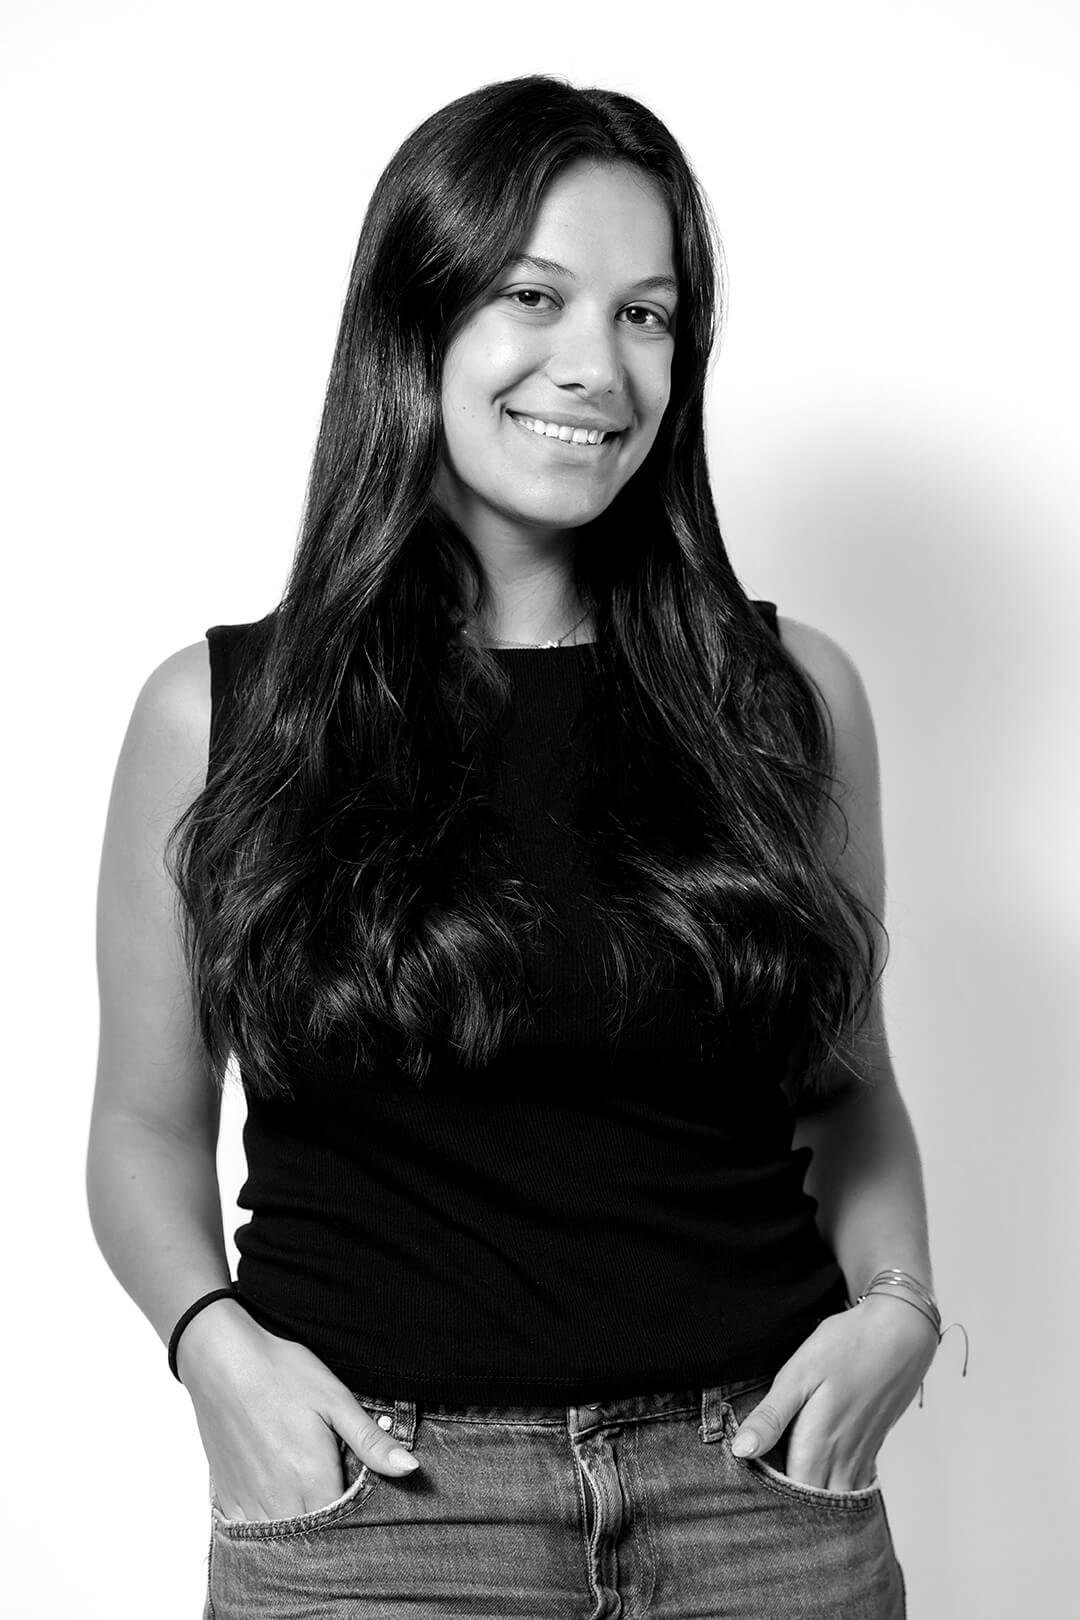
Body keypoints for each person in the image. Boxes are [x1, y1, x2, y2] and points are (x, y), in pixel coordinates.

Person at [87, 75, 941, 1619]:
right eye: (534, 295)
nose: (596, 366)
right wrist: (220, 1355)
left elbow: (851, 1090)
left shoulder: (791, 698)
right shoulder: (220, 713)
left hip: (760, 1506)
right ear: (416, 321)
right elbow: (145, 1128)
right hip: (380, 1520)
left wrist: (899, 1309)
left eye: (649, 314)